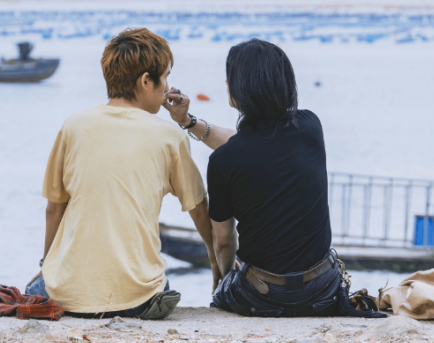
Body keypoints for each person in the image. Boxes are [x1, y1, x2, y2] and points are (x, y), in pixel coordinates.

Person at [163, 38, 381, 318]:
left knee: (231, 281)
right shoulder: (311, 127)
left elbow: (225, 241)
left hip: (262, 297)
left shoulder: (223, 161)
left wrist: (224, 281)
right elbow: (254, 144)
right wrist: (188, 121)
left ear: (240, 88)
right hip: (323, 290)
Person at [26, 28, 218, 319]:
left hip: (67, 297)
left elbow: (54, 209)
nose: (167, 86)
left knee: (35, 288)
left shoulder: (73, 126)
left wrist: (46, 266)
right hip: (139, 298)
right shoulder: (169, 135)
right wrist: (215, 263)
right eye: (164, 77)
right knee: (158, 284)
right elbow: (199, 211)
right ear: (145, 81)